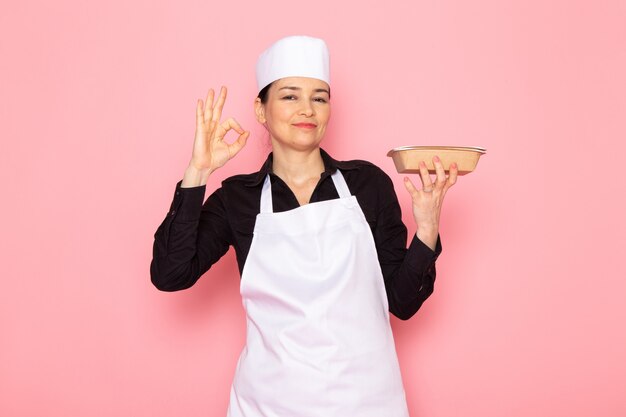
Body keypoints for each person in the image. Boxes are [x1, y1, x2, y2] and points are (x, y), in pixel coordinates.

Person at [150, 35, 458, 417]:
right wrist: (197, 172)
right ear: (260, 110)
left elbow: (402, 303)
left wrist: (426, 231)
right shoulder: (236, 199)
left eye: (320, 97)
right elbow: (170, 274)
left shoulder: (369, 185)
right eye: (290, 96)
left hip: (365, 401)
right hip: (268, 404)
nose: (307, 109)